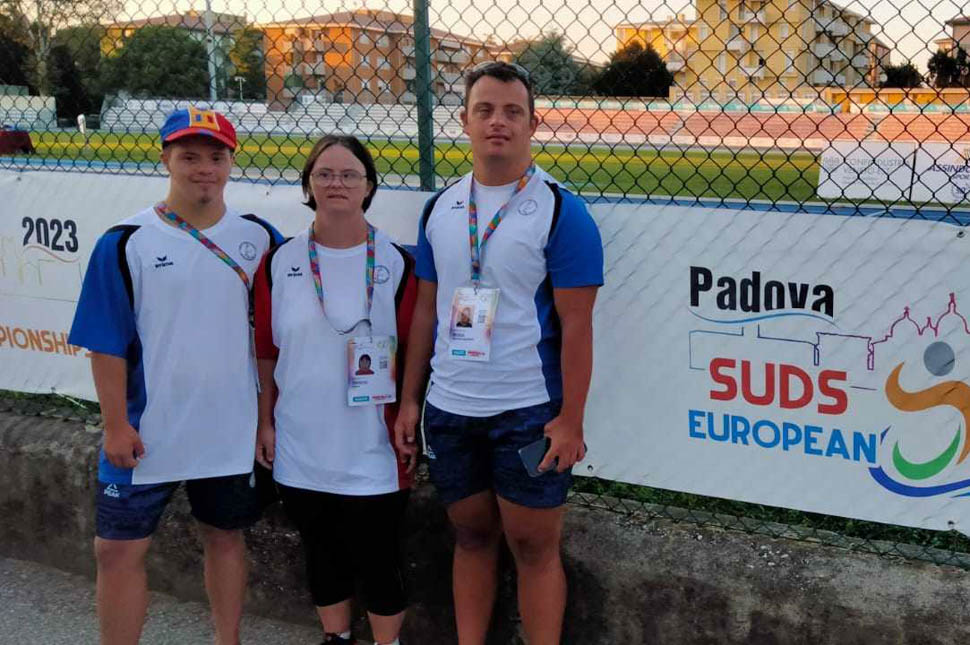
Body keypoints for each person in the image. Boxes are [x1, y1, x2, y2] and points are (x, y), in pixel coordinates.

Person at [394, 62, 604, 644]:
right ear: (464, 120)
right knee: (470, 537)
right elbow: (424, 312)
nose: (498, 122)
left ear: (533, 124)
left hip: (527, 411)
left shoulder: (561, 210)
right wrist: (410, 401)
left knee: (534, 547)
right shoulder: (440, 207)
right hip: (450, 408)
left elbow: (578, 325)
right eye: (485, 110)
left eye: (513, 111)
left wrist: (571, 420)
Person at [68, 107, 283, 645]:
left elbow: (280, 334)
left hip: (230, 430)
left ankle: (227, 640)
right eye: (189, 156)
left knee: (225, 538)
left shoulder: (260, 238)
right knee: (116, 550)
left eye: (216, 156)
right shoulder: (125, 241)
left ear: (231, 162)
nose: (204, 168)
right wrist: (115, 425)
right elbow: (105, 342)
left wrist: (266, 421)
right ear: (166, 159)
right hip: (147, 431)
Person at [253, 134, 418, 645]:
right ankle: (336, 637)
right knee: (321, 552)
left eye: (349, 175)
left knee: (378, 557)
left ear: (369, 186)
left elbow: (415, 351)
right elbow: (267, 350)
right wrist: (264, 421)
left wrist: (410, 415)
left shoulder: (398, 263)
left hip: (373, 444)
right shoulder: (279, 261)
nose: (336, 184)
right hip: (302, 440)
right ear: (308, 185)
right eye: (324, 174)